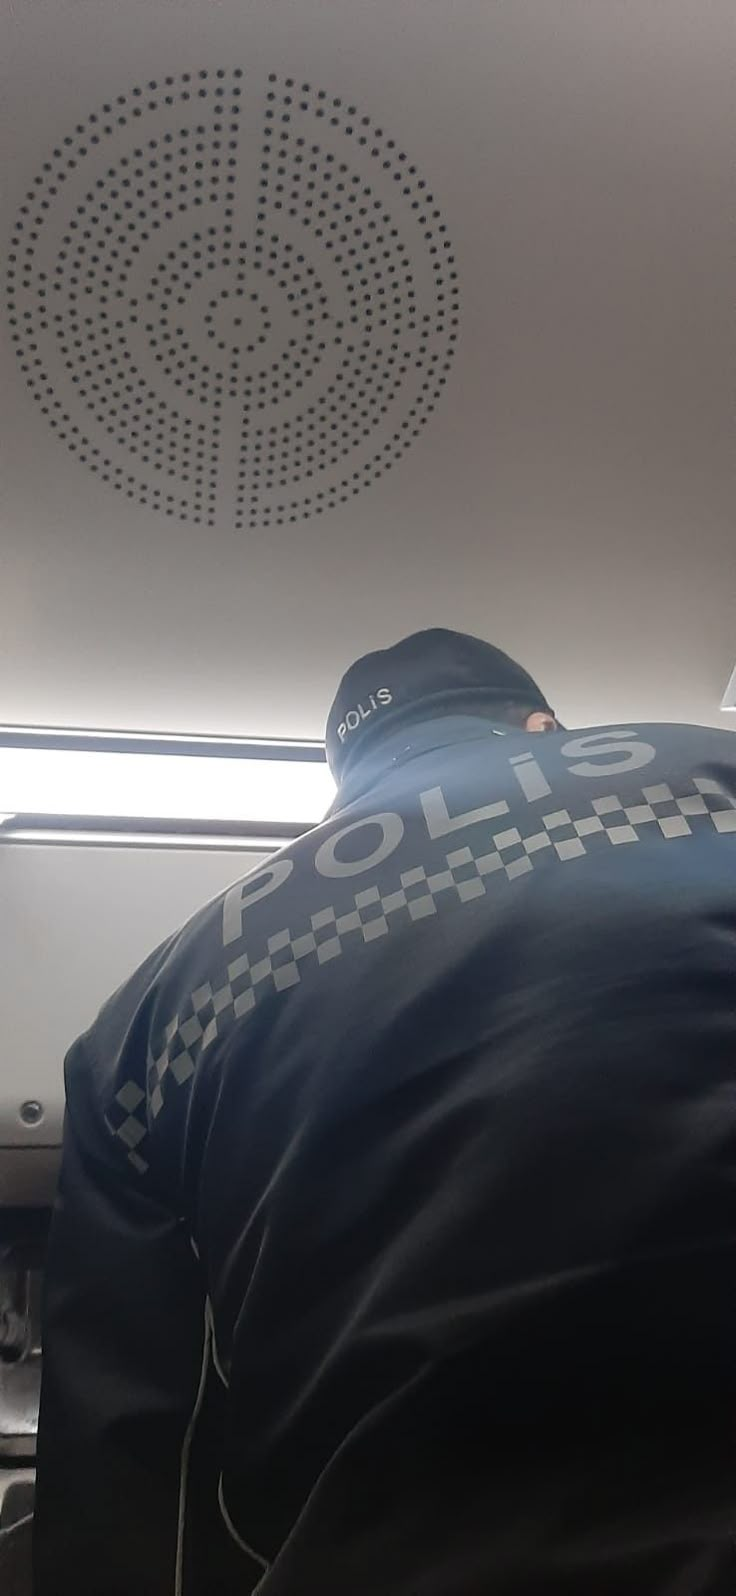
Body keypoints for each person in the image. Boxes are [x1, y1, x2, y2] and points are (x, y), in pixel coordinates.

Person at [33, 627, 736, 1596]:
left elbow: (127, 1473)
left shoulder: (153, 1013)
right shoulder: (708, 775)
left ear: (342, 790)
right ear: (539, 726)